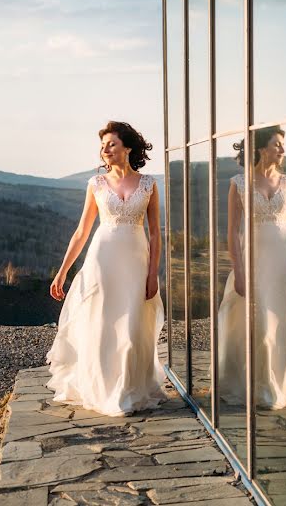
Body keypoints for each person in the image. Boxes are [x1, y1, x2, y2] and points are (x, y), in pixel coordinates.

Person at [48, 121, 166, 416]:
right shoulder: (96, 184)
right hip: (103, 260)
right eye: (102, 146)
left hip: (136, 261)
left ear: (127, 148)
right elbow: (81, 232)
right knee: (102, 323)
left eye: (111, 144)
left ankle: (127, 389)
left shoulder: (149, 184)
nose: (105, 150)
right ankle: (103, 388)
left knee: (132, 325)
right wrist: (63, 272)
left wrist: (153, 274)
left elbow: (155, 233)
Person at [217, 126, 286, 409]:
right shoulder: (239, 183)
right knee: (261, 323)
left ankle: (280, 382)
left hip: (285, 256)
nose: (282, 149)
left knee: (285, 319)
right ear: (262, 148)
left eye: (282, 144)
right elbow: (231, 232)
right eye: (277, 144)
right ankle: (258, 383)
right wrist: (239, 271)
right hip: (254, 256)